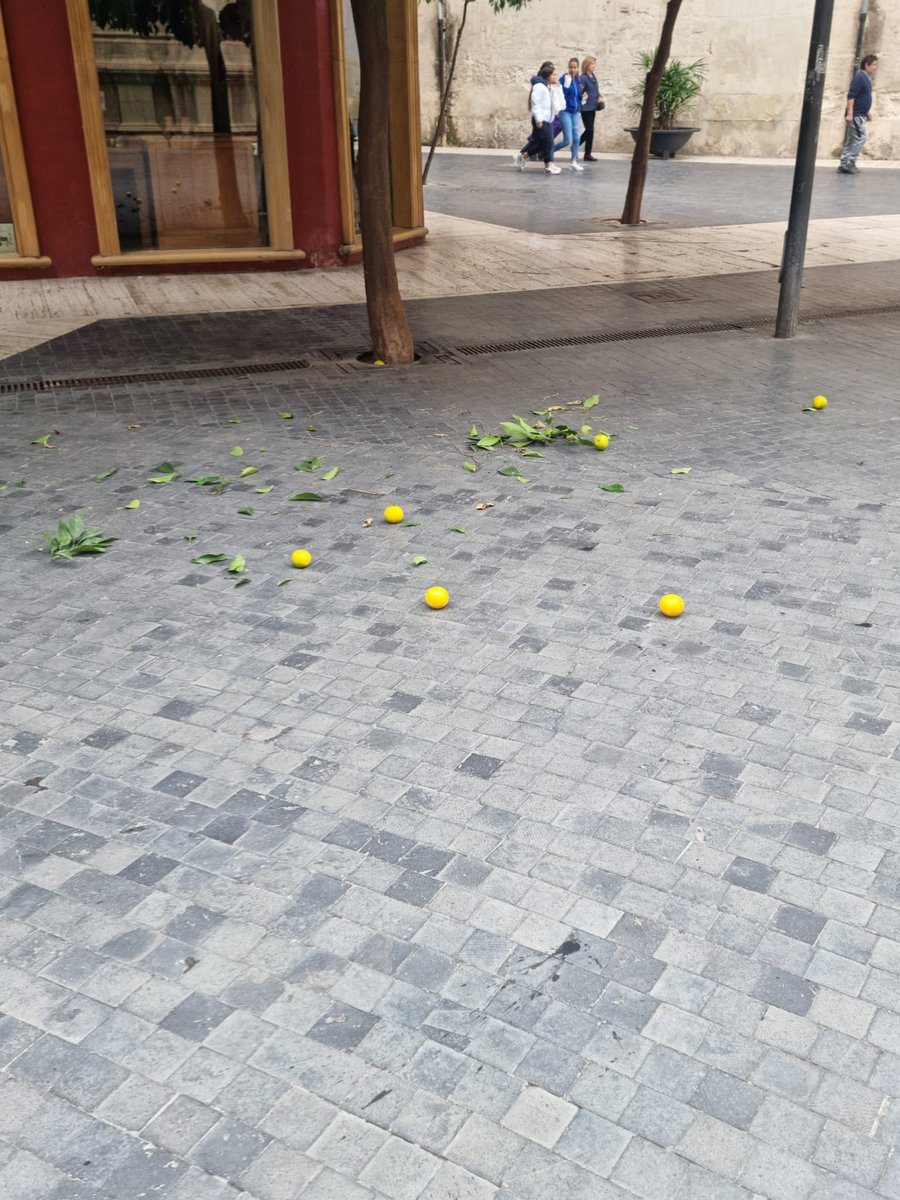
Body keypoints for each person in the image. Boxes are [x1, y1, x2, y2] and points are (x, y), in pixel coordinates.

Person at [839, 53, 878, 175]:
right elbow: (851, 96)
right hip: (855, 115)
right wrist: (850, 113)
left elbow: (862, 97)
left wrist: (867, 112)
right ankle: (850, 162)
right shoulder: (860, 77)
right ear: (866, 65)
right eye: (874, 65)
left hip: (860, 114)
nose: (875, 67)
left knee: (851, 140)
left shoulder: (866, 78)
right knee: (861, 137)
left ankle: (843, 164)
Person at [525, 64, 561, 175]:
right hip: (541, 119)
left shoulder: (548, 87)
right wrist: (539, 119)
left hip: (548, 119)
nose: (556, 77)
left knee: (544, 142)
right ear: (548, 75)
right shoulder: (539, 86)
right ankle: (548, 165)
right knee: (548, 142)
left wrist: (556, 88)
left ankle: (523, 156)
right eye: (554, 75)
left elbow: (555, 103)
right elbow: (536, 103)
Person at [557, 57, 585, 170]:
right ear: (568, 67)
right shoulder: (564, 79)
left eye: (575, 67)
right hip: (565, 112)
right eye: (570, 67)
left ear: (578, 68)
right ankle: (546, 152)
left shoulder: (578, 81)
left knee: (577, 138)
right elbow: (561, 94)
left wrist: (583, 99)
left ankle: (574, 161)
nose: (572, 70)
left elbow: (578, 97)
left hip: (575, 113)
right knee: (567, 140)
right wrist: (566, 86)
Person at [578, 56, 602, 161]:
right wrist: (583, 96)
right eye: (592, 64)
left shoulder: (593, 76)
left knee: (590, 131)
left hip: (593, 107)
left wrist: (600, 96)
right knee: (589, 130)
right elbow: (579, 92)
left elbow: (596, 90)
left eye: (594, 64)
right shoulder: (582, 78)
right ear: (587, 65)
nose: (594, 66)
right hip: (586, 108)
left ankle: (587, 154)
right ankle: (577, 144)